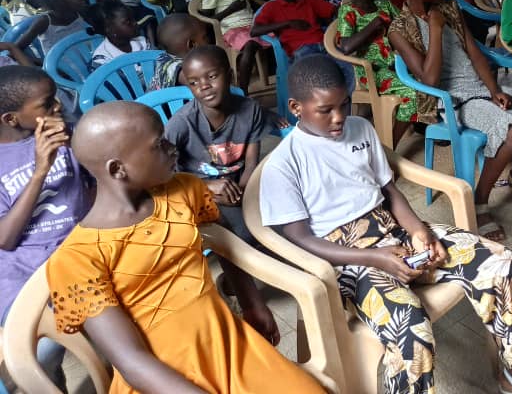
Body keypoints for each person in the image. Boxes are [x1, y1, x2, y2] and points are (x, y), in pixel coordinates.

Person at [259, 55, 512, 394]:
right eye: (325, 110)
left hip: (392, 229)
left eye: (344, 104)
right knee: (412, 331)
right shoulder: (284, 165)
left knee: (497, 260)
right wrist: (377, 258)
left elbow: (389, 191)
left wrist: (419, 231)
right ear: (296, 107)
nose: (339, 117)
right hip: (345, 258)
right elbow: (299, 238)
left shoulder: (360, 129)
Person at [45, 101, 323, 393]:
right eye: (159, 145)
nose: (172, 148)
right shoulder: (77, 258)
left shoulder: (184, 190)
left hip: (225, 345)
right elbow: (130, 360)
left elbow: (224, 239)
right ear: (118, 169)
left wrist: (251, 300)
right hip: (157, 377)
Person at [388, 0, 512, 241]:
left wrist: (494, 89)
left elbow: (474, 53)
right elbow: (430, 80)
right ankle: (480, 203)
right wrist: (435, 30)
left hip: (480, 88)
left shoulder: (449, 8)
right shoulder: (399, 29)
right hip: (452, 98)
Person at [0, 67, 89, 390]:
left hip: (77, 254)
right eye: (46, 104)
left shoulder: (65, 134)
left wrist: (80, 139)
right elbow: (6, 240)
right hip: (22, 272)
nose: (58, 108)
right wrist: (40, 171)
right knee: (41, 353)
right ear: (11, 118)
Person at [164, 45, 265, 242]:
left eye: (211, 77)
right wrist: (206, 186)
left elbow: (251, 163)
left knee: (281, 221)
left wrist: (241, 195)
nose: (204, 86)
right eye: (194, 82)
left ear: (230, 75)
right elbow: (163, 177)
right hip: (198, 191)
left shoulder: (250, 110)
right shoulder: (181, 123)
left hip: (240, 186)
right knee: (244, 236)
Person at [336, 0, 418, 144]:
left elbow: (405, 23)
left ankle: (421, 124)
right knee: (413, 93)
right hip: (373, 73)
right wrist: (373, 26)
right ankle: (389, 147)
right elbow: (346, 46)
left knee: (429, 78)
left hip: (396, 63)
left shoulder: (383, 3)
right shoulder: (348, 12)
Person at [199, 0, 271, 91]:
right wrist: (231, 9)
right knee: (250, 44)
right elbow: (206, 22)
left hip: (253, 26)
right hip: (232, 30)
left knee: (283, 33)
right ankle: (243, 91)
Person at [14, 0, 90, 58]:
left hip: (88, 59)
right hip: (60, 68)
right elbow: (15, 49)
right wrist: (37, 63)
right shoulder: (44, 22)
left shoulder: (81, 12)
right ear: (58, 1)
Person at [149, 13, 209, 91]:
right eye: (205, 37)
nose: (208, 40)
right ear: (192, 45)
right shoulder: (179, 69)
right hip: (158, 102)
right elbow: (204, 87)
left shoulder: (164, 56)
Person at [88, 0, 150, 71]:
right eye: (128, 22)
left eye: (133, 19)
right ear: (110, 29)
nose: (135, 23)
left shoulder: (142, 42)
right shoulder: (102, 59)